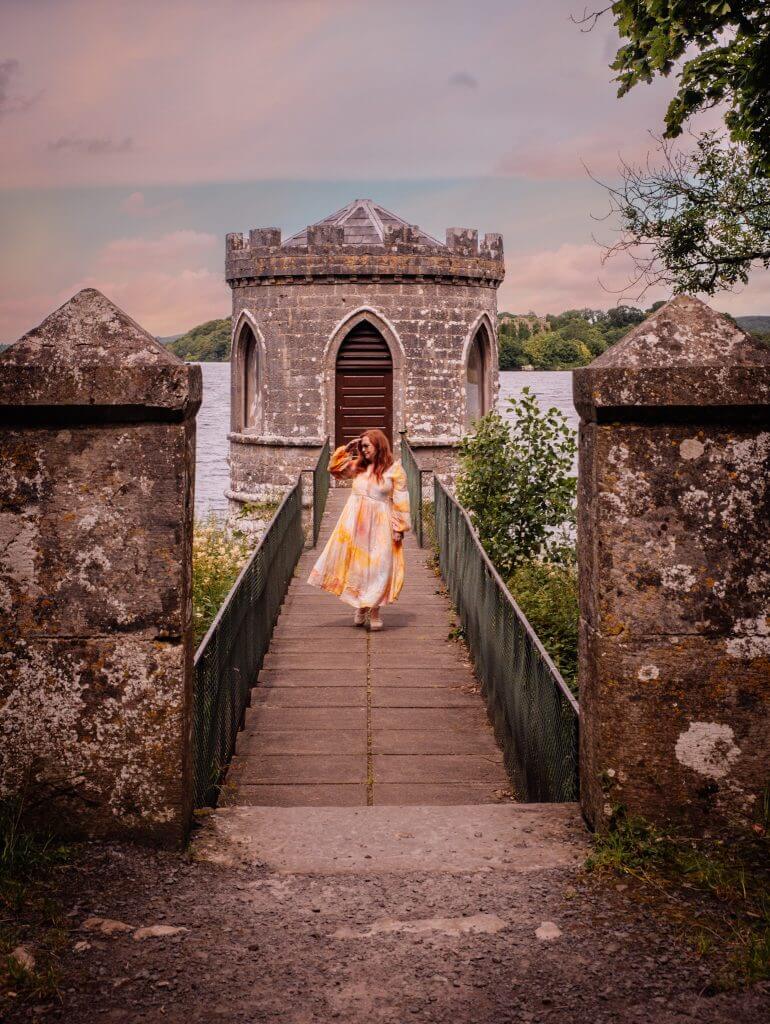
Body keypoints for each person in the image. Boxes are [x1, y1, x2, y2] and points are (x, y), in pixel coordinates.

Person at [307, 429, 410, 630]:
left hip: (381, 523)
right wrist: (346, 449)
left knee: (379, 567)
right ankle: (362, 605)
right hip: (355, 523)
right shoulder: (359, 467)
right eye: (362, 446)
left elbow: (401, 500)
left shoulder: (394, 470)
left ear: (379, 446)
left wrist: (400, 528)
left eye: (366, 446)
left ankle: (375, 611)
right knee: (359, 566)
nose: (363, 450)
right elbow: (335, 470)